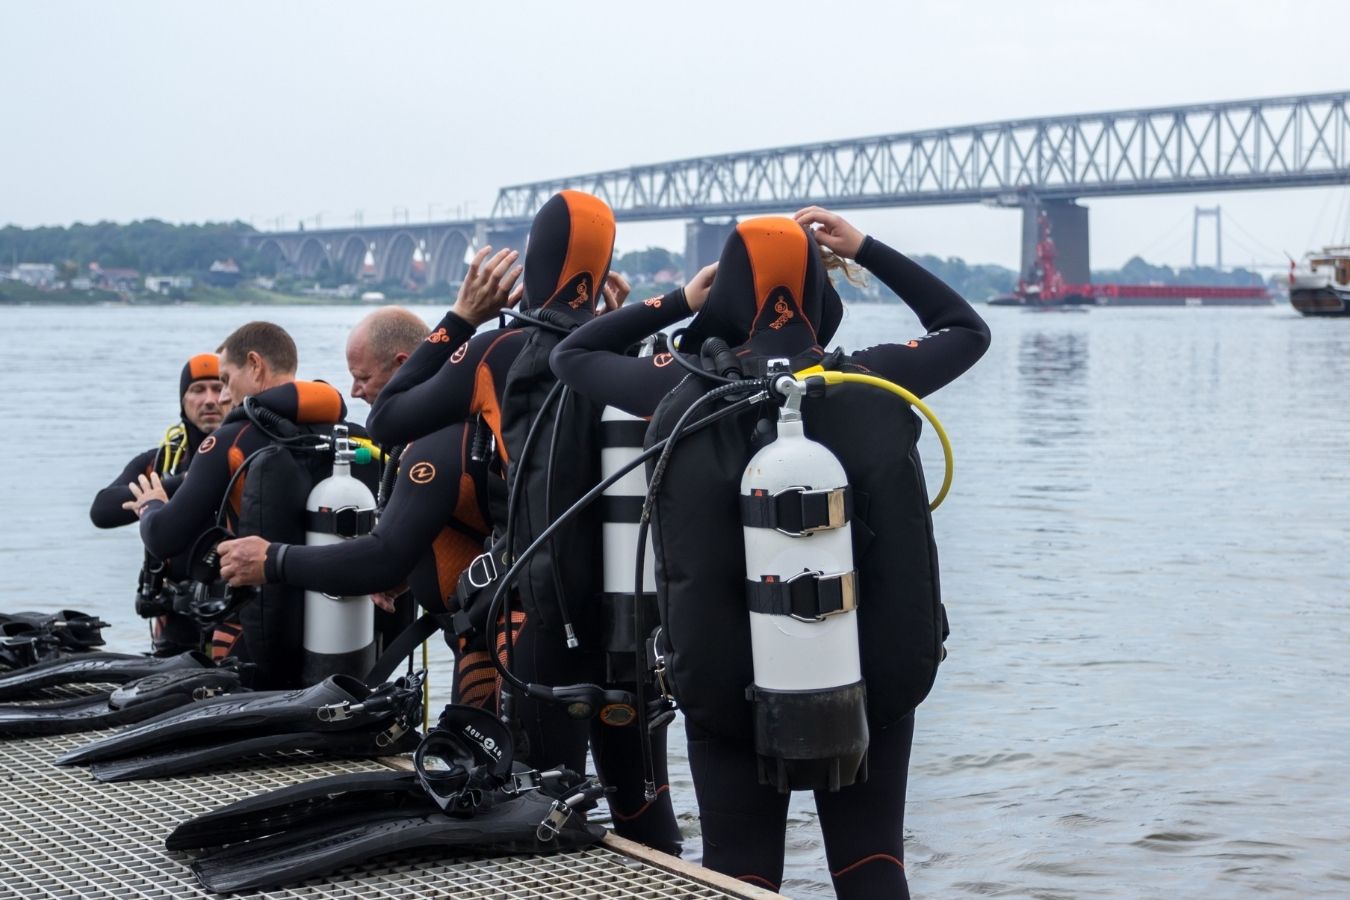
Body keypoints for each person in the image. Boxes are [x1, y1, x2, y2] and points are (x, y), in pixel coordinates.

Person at [550, 207, 991, 898]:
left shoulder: (680, 391)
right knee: (872, 869)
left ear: (726, 295)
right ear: (820, 294)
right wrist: (866, 248)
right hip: (866, 681)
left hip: (726, 690)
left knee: (741, 875)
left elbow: (570, 354)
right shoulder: (873, 382)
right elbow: (967, 330)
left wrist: (680, 300)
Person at [366, 191, 682, 856]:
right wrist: (615, 321)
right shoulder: (630, 353)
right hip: (633, 625)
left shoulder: (497, 351)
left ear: (532, 263)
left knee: (536, 813)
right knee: (646, 817)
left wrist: (457, 317)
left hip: (541, 619)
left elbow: (387, 418)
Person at [213, 301, 498, 702]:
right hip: (480, 636)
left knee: (520, 761)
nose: (353, 391)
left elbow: (383, 556)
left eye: (361, 376)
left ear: (402, 365)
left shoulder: (441, 441)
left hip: (502, 647)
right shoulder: (443, 431)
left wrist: (272, 560)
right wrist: (407, 573)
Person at [124, 321, 377, 688]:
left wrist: (151, 506)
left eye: (226, 379)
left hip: (261, 634)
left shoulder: (233, 439)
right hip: (350, 635)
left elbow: (164, 537)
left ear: (255, 365)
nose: (224, 395)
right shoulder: (354, 436)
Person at [90, 353, 225, 653]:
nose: (210, 400)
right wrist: (186, 483)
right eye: (198, 390)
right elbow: (102, 509)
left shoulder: (246, 457)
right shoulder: (161, 461)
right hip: (173, 618)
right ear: (183, 400)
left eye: (218, 388)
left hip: (229, 615)